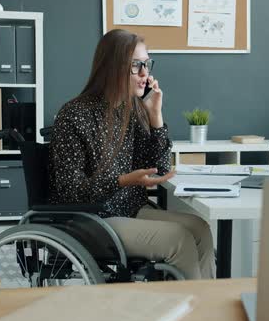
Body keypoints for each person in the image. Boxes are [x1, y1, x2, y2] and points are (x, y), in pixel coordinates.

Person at [48, 29, 215, 279]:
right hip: (93, 218)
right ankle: (189, 314)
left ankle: (204, 308)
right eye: (137, 66)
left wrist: (155, 116)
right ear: (113, 67)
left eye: (147, 64)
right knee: (179, 239)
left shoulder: (132, 109)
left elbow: (156, 167)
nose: (145, 74)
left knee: (200, 229)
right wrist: (123, 181)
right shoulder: (74, 115)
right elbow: (70, 189)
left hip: (129, 208)